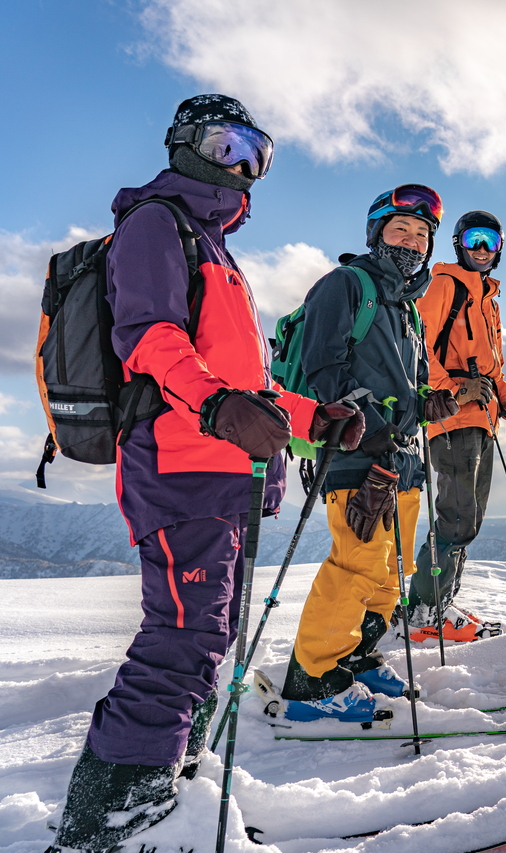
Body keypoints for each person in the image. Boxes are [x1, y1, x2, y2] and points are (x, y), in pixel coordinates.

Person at [51, 94, 365, 852]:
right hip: (179, 466)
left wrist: (310, 417)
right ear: (186, 145)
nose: (243, 168)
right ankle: (107, 823)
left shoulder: (216, 251)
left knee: (208, 636)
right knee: (181, 640)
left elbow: (243, 382)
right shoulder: (157, 223)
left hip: (226, 473)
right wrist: (220, 406)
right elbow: (150, 341)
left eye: (256, 153)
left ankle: (164, 797)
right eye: (228, 147)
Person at [280, 185, 457, 721]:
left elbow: (407, 386)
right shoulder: (345, 285)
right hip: (355, 451)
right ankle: (311, 679)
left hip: (400, 459)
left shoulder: (407, 307)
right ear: (376, 234)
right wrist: (371, 424)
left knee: (389, 571)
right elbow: (323, 368)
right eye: (400, 230)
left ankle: (355, 655)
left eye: (422, 235)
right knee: (355, 566)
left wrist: (431, 403)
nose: (412, 241)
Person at [406, 211, 506, 642]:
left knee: (468, 518)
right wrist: (452, 390)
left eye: (490, 240)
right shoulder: (446, 285)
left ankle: (440, 603)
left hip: (483, 418)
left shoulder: (488, 301)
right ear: (458, 243)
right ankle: (423, 612)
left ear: (498, 248)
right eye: (473, 239)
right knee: (456, 518)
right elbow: (416, 343)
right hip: (452, 417)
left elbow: (493, 368)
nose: (481, 248)